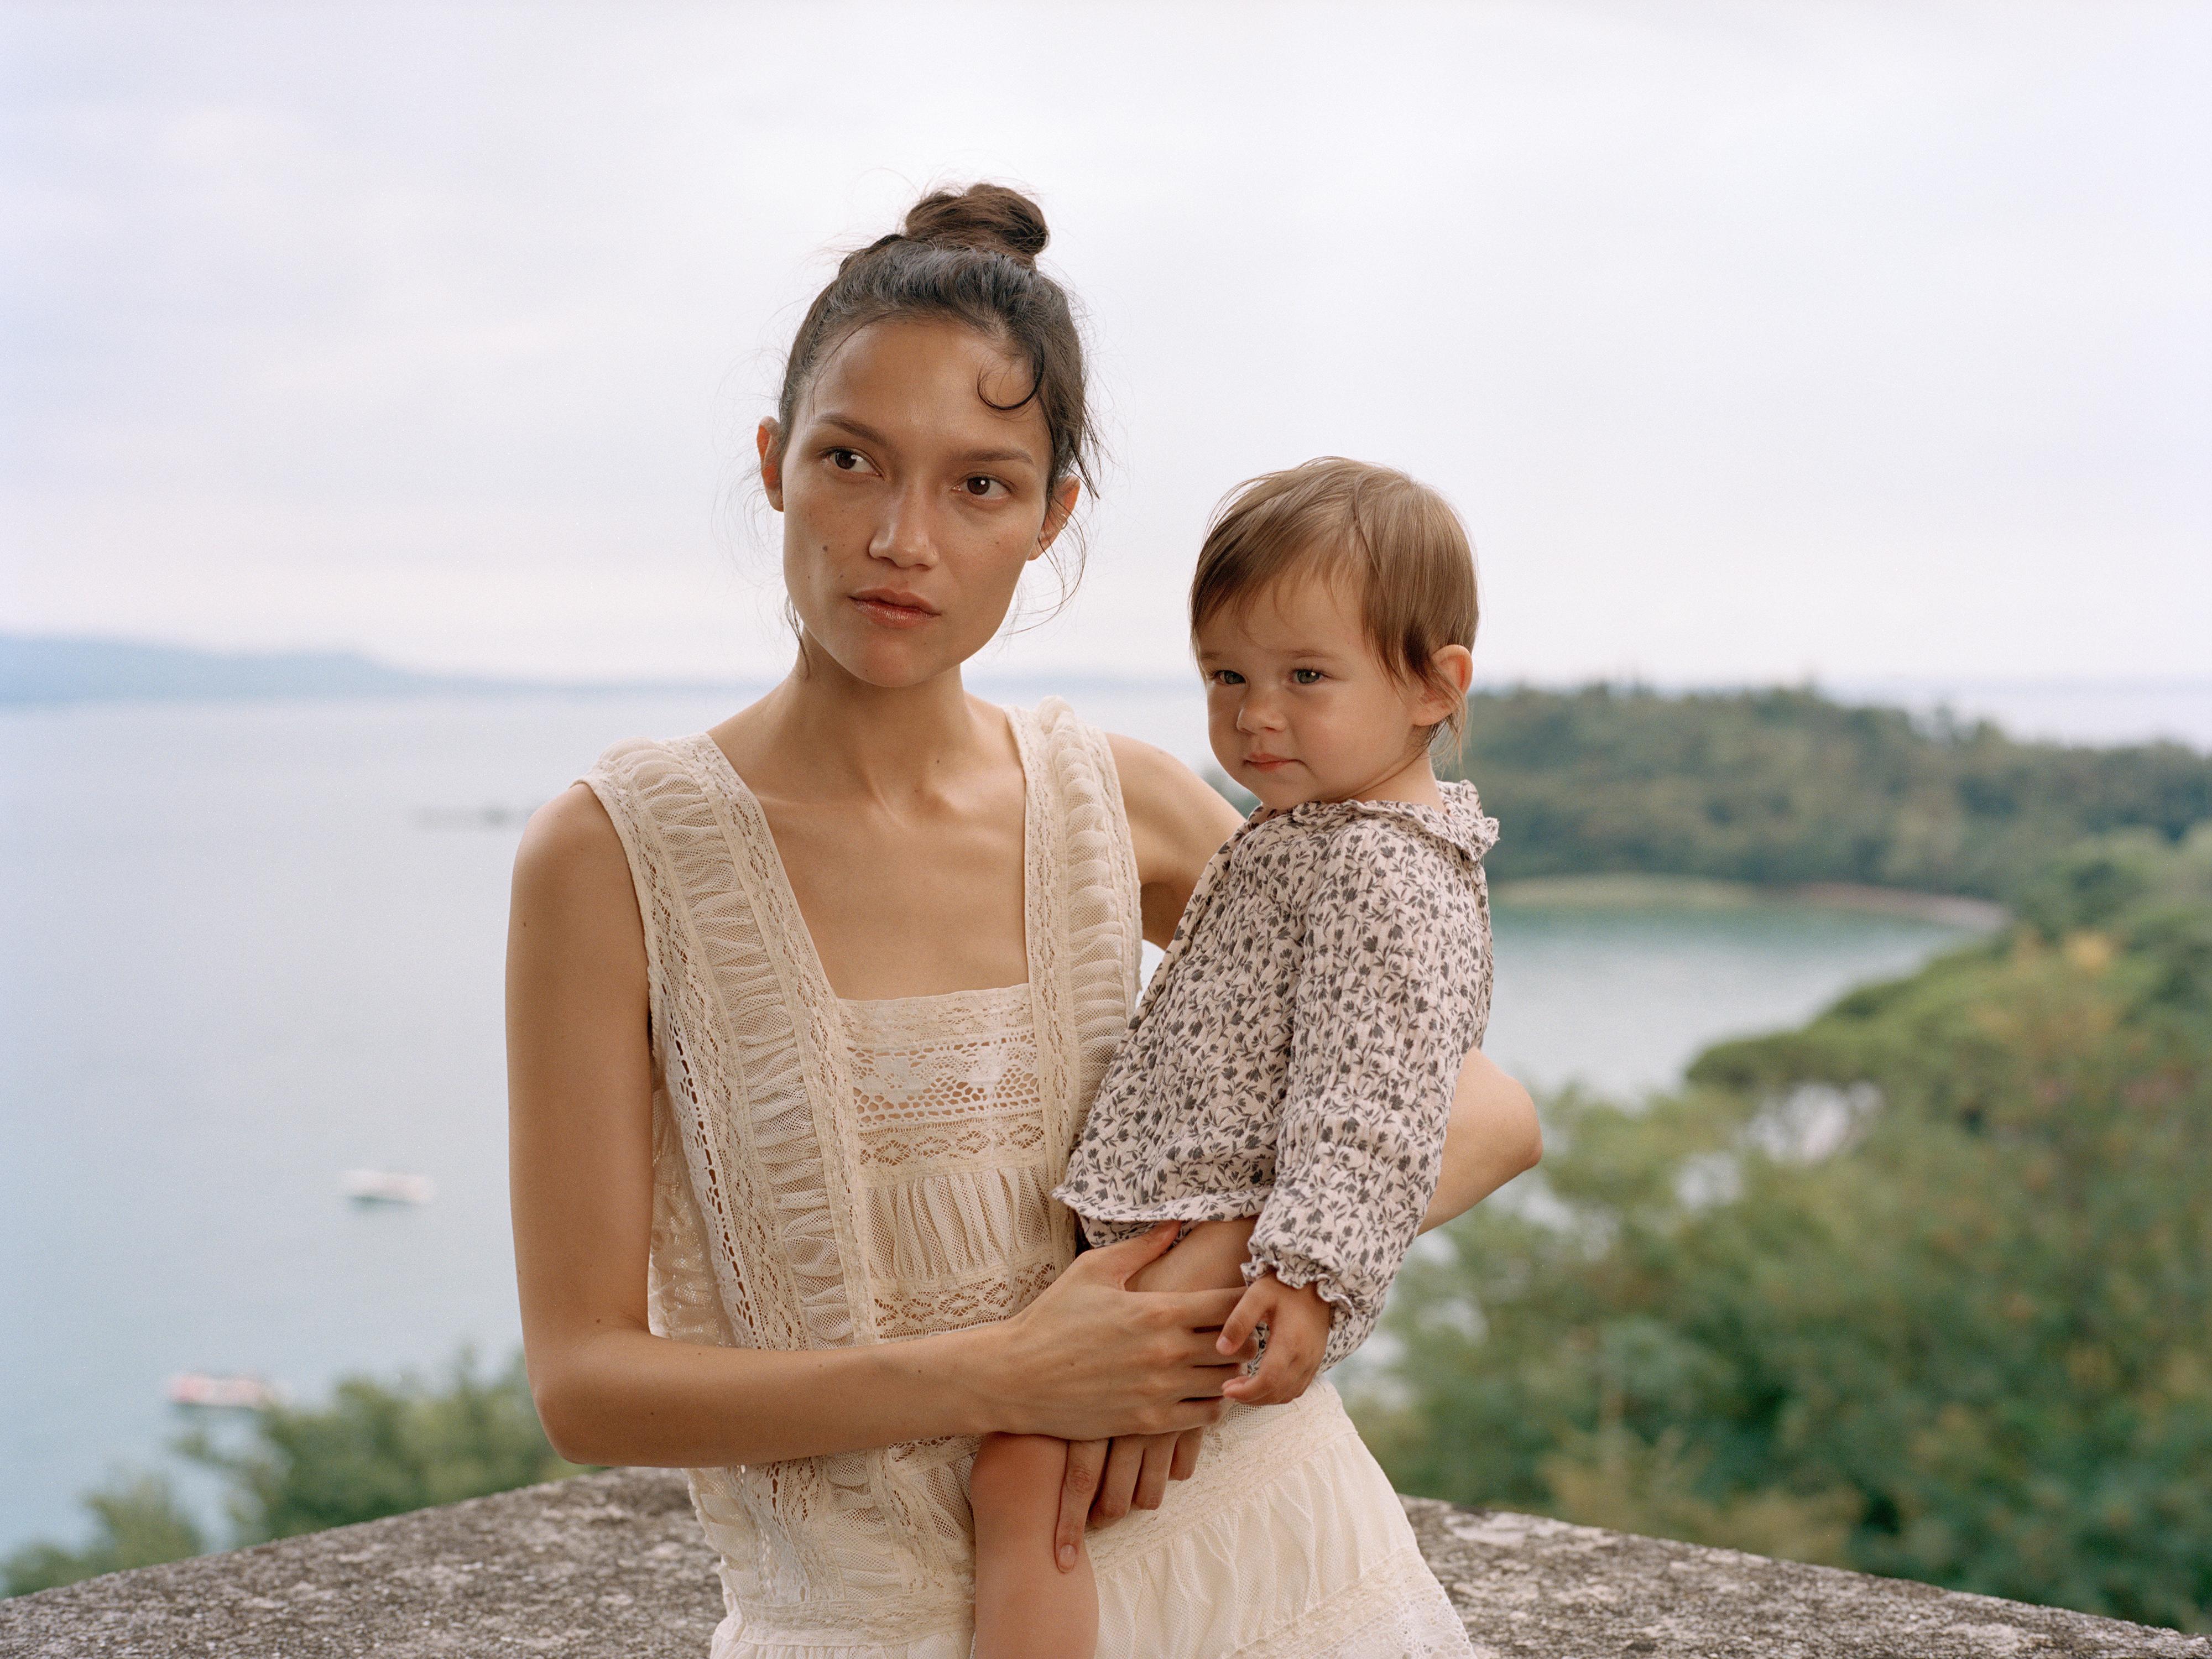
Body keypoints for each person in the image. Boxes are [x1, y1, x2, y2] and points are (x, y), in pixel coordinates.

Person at [505, 182, 1542, 1658]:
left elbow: (1491, 1104)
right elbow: (589, 1387)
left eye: (981, 485)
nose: (903, 540)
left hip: (1281, 1574)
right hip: (863, 1621)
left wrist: (1217, 1275)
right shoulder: (611, 858)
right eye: (853, 461)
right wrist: (1013, 1376)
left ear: (1055, 516)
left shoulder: (1118, 803)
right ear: (774, 467)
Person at [967, 458, 1496, 1656]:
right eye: (1227, 676)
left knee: (1018, 1475)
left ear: (1431, 683)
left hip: (1227, 1232)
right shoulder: (1313, 834)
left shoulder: (1380, 868)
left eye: (1305, 677)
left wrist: (1309, 1275)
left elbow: (1376, 1101)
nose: (1256, 714)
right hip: (1192, 1216)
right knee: (1054, 1485)